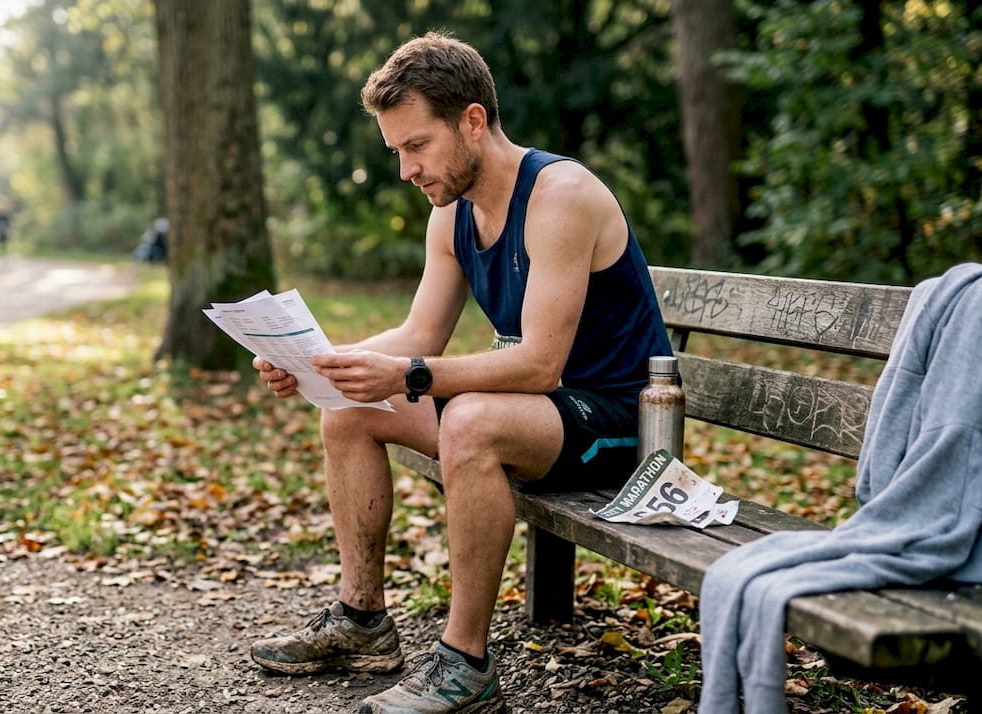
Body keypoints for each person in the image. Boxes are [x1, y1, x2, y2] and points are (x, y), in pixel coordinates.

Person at [249, 31, 672, 714]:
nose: (405, 171)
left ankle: (464, 663)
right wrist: (320, 364)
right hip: (542, 415)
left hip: (625, 426)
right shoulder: (451, 218)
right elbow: (418, 335)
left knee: (472, 421)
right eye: (397, 152)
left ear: (472, 121)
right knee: (350, 410)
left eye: (416, 147)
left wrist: (408, 374)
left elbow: (539, 364)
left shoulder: (560, 196)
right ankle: (362, 622)